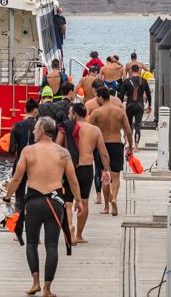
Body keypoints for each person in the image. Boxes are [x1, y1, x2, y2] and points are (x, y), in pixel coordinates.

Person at [4, 116, 81, 297]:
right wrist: (78, 201)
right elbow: (73, 180)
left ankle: (35, 282)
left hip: (34, 201)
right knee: (52, 245)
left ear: (40, 131)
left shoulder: (28, 151)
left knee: (31, 242)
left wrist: (8, 196)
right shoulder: (63, 153)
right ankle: (47, 289)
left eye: (35, 129)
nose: (32, 132)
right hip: (55, 202)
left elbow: (16, 178)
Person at [62, 103, 110, 244]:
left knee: (68, 202)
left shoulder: (67, 128)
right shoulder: (95, 130)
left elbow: (58, 147)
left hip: (70, 167)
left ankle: (70, 226)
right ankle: (79, 235)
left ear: (75, 115)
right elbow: (103, 153)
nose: (69, 116)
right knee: (84, 201)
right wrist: (106, 170)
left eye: (71, 113)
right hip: (86, 169)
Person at [88, 87, 135, 216]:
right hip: (116, 144)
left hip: (102, 146)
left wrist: (88, 148)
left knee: (105, 175)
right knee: (115, 176)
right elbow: (129, 132)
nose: (96, 100)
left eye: (97, 97)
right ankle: (114, 198)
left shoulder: (96, 113)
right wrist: (130, 148)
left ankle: (107, 207)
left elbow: (88, 131)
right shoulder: (119, 112)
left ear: (102, 98)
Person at [9, 98, 39, 217]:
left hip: (20, 161)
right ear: (36, 111)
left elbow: (11, 150)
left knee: (19, 193)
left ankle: (19, 219)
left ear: (25, 109)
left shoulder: (16, 126)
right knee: (35, 191)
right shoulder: (39, 126)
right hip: (35, 163)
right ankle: (32, 217)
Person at [120, 64, 151, 145]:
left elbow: (121, 95)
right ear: (139, 71)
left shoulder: (126, 81)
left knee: (129, 125)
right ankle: (136, 147)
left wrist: (120, 106)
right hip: (140, 105)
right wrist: (150, 106)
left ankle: (129, 144)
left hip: (129, 105)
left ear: (131, 71)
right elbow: (149, 94)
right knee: (138, 126)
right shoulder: (144, 81)